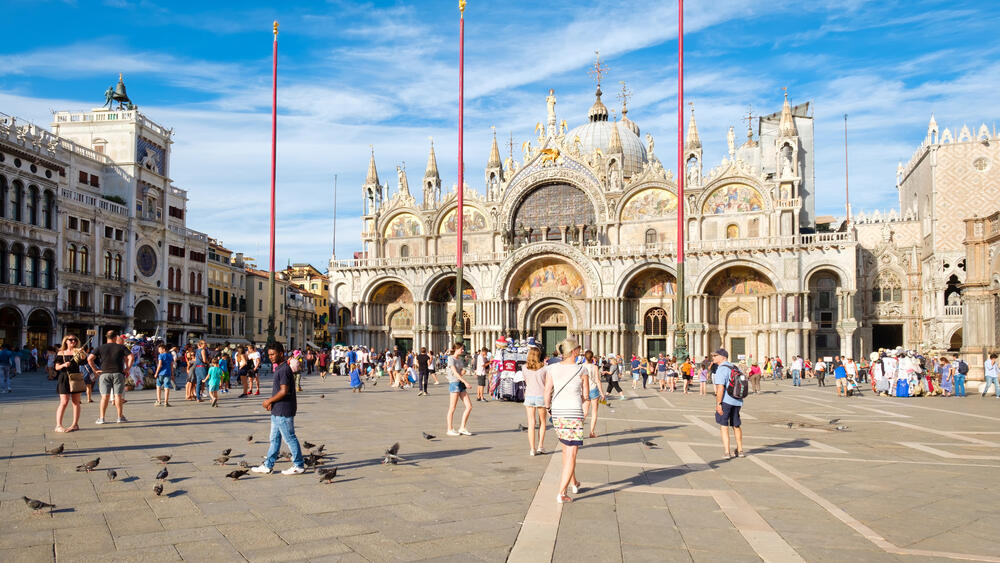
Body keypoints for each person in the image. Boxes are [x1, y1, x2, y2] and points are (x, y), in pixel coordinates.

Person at [544, 337, 588, 503]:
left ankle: (574, 482)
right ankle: (561, 492)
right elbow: (585, 396)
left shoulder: (552, 368)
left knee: (566, 449)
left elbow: (547, 391)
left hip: (557, 412)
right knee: (572, 453)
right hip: (573, 412)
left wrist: (549, 409)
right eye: (578, 348)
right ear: (574, 351)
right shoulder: (582, 370)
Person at [252, 342, 305, 475]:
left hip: (284, 410)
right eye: (269, 354)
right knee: (274, 439)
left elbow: (284, 391)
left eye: (273, 354)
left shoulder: (284, 369)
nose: (270, 357)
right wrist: (273, 403)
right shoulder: (280, 368)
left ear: (281, 353)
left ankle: (299, 465)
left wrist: (269, 400)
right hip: (278, 409)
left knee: (289, 438)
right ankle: (268, 465)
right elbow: (279, 391)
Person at [86, 330, 132, 424]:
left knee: (104, 397)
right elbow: (131, 357)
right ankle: (120, 417)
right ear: (115, 337)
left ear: (107, 337)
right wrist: (127, 368)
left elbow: (89, 359)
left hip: (104, 374)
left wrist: (95, 369)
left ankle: (102, 418)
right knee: (118, 396)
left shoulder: (100, 347)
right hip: (118, 373)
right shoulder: (121, 347)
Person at [712, 348, 744, 459]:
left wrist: (718, 403)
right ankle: (740, 450)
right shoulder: (735, 367)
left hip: (726, 400)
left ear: (723, 357)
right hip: (737, 400)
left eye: (715, 356)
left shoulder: (721, 369)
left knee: (724, 425)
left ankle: (727, 452)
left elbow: (720, 388)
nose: (713, 357)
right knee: (736, 425)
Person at [53, 335, 85, 432]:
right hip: (64, 377)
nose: (73, 341)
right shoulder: (61, 353)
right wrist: (64, 365)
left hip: (75, 377)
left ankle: (75, 424)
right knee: (64, 402)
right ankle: (58, 425)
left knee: (76, 402)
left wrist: (82, 353)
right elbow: (56, 367)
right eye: (70, 340)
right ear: (66, 341)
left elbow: (84, 361)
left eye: (75, 340)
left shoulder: (78, 352)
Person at [522, 346, 548, 455]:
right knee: (542, 422)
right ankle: (540, 446)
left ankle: (532, 449)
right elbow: (547, 383)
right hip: (541, 396)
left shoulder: (524, 367)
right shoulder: (545, 368)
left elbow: (526, 380)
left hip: (529, 396)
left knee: (531, 423)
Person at [445, 343, 473, 436]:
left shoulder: (460, 360)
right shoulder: (451, 359)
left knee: (469, 406)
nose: (462, 351)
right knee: (452, 408)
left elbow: (459, 373)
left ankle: (462, 427)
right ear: (456, 349)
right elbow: (454, 373)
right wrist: (465, 382)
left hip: (460, 383)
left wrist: (463, 372)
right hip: (454, 383)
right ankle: (449, 429)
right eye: (461, 349)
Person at [580, 350, 605, 438]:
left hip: (584, 390)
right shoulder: (595, 367)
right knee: (594, 412)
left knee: (584, 412)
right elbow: (598, 380)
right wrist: (602, 393)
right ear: (592, 357)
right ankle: (591, 432)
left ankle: (579, 431)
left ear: (584, 357)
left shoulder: (581, 366)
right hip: (594, 390)